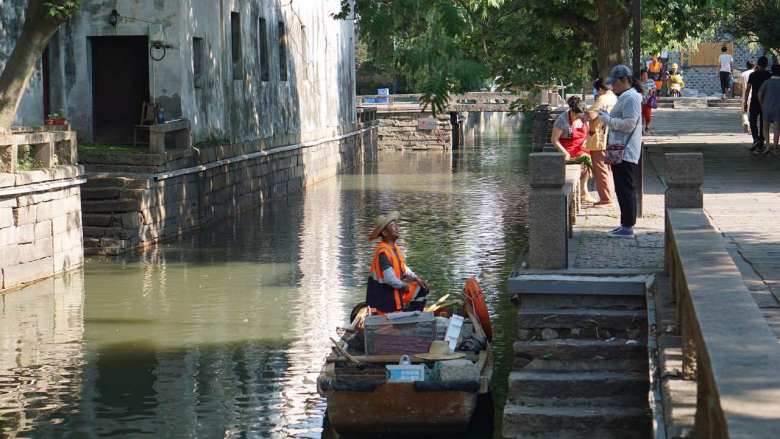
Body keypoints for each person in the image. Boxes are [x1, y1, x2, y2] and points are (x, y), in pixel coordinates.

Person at [598, 65, 643, 238]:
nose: (612, 87)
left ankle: (628, 226)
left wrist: (608, 120)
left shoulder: (631, 98)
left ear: (624, 80)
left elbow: (629, 124)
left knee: (625, 188)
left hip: (625, 150)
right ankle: (625, 223)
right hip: (621, 149)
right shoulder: (627, 96)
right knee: (622, 188)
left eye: (614, 83)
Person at [365, 212, 428, 314]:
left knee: (421, 287)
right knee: (409, 288)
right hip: (384, 298)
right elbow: (389, 279)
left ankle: (411, 313)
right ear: (385, 233)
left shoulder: (394, 248)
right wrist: (404, 286)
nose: (397, 228)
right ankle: (406, 315)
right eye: (392, 226)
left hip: (393, 293)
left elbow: (403, 267)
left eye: (396, 225)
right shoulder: (383, 251)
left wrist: (415, 277)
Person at [551, 96, 596, 203]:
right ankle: (584, 193)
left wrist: (588, 140)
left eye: (580, 114)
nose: (578, 116)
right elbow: (554, 140)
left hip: (582, 147)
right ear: (571, 110)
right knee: (586, 160)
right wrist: (564, 152)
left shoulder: (584, 117)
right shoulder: (562, 120)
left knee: (596, 159)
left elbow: (590, 132)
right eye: (575, 114)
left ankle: (583, 192)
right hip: (568, 149)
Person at [586, 79, 618, 206]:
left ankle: (606, 198)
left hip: (600, 139)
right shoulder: (614, 98)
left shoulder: (602, 99)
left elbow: (591, 114)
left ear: (600, 89)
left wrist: (584, 113)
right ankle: (609, 195)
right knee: (609, 168)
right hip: (613, 137)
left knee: (601, 168)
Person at [744, 56, 772, 154]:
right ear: (766, 64)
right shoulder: (769, 75)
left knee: (753, 120)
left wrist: (745, 101)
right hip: (765, 101)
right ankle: (761, 142)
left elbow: (748, 89)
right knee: (763, 123)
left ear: (758, 64)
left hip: (754, 101)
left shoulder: (753, 75)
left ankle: (755, 139)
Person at [757, 64, 780, 154]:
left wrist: (762, 104)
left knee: (765, 128)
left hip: (766, 107)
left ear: (772, 71)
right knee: (777, 129)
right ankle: (775, 148)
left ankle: (767, 146)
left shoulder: (767, 82)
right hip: (778, 108)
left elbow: (759, 94)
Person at [741, 61, 756, 132]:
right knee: (753, 113)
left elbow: (740, 86)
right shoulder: (756, 73)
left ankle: (746, 122)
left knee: (744, 111)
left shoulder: (743, 74)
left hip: (745, 95)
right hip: (754, 96)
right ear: (754, 66)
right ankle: (751, 128)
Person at [640, 69, 656, 134]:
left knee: (648, 116)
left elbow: (655, 88)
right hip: (640, 102)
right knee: (641, 116)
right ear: (641, 76)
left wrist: (652, 90)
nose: (645, 77)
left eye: (646, 75)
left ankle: (647, 126)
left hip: (648, 101)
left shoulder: (651, 81)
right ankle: (641, 129)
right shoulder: (639, 82)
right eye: (644, 75)